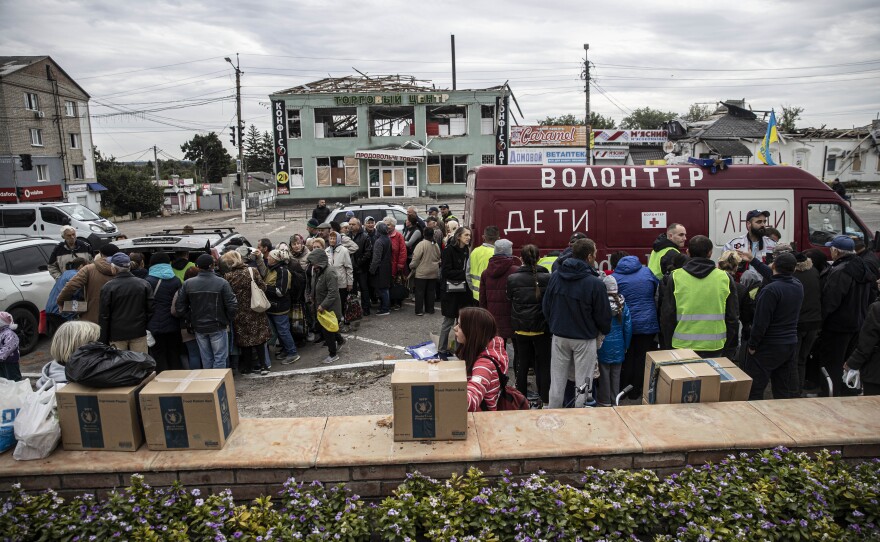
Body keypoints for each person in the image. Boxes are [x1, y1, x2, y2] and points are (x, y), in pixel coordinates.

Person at [542, 238, 612, 408]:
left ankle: (553, 414)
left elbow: (546, 305)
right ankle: (579, 417)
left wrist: (554, 325)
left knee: (557, 381)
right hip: (584, 338)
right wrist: (602, 331)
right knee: (583, 384)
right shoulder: (595, 283)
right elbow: (603, 315)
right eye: (595, 254)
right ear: (589, 256)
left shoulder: (556, 276)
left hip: (559, 335)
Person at [815, 235, 878, 396]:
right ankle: (848, 393)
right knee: (847, 362)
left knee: (832, 364)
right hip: (858, 323)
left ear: (836, 251)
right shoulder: (862, 266)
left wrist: (820, 322)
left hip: (838, 326)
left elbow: (831, 301)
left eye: (831, 249)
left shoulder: (840, 271)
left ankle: (830, 395)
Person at [659, 235, 738, 357]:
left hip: (682, 345)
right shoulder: (725, 278)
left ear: (688, 252)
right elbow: (732, 317)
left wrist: (669, 345)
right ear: (710, 253)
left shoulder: (675, 277)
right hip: (715, 346)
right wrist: (726, 346)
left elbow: (667, 316)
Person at [742, 252, 803, 400]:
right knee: (782, 389)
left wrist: (752, 344)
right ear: (794, 269)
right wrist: (753, 261)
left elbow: (761, 322)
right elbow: (776, 276)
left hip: (768, 345)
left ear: (774, 265)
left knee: (755, 389)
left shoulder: (770, 290)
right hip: (789, 344)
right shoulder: (797, 285)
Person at [175, 254, 238, 369]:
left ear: (197, 266)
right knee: (219, 358)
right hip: (217, 324)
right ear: (212, 265)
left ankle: (210, 384)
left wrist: (191, 317)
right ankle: (219, 386)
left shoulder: (188, 284)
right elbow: (232, 305)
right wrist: (226, 319)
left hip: (200, 326)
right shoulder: (221, 282)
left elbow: (179, 307)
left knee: (206, 358)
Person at [507, 244, 552, 403]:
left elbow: (510, 298)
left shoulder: (513, 278)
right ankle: (545, 398)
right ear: (539, 258)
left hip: (521, 327)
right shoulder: (547, 277)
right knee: (543, 364)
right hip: (542, 328)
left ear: (521, 259)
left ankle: (521, 399)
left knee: (522, 364)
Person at [612, 254, 660, 398]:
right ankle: (637, 391)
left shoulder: (615, 277)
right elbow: (656, 289)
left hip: (625, 324)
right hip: (647, 323)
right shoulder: (647, 272)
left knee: (627, 357)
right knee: (641, 358)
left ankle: (624, 390)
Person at [222, 251, 272, 376]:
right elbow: (263, 287)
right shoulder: (252, 271)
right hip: (255, 309)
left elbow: (227, 297)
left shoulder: (227, 277)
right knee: (259, 339)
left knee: (244, 341)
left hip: (239, 313)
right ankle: (264, 366)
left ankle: (248, 367)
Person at [450, 307, 509, 412]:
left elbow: (471, 401)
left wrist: (440, 392)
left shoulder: (484, 365)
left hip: (480, 421)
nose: (455, 328)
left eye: (460, 325)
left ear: (473, 331)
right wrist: (440, 370)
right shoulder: (488, 349)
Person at [98, 253, 154, 353]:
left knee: (119, 364)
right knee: (140, 363)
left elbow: (104, 315)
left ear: (113, 268)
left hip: (116, 334)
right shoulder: (144, 284)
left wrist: (103, 339)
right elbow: (150, 309)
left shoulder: (108, 287)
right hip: (139, 331)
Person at [57, 243, 119, 324]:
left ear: (100, 254)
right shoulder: (122, 269)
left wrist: (60, 301)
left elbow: (71, 286)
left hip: (92, 318)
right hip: (116, 318)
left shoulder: (89, 269)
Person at [596, 275, 632, 407]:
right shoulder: (623, 305)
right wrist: (626, 345)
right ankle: (614, 399)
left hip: (603, 345)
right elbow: (628, 328)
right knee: (616, 374)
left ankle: (605, 400)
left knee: (604, 373)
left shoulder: (600, 304)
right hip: (619, 345)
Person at [144, 252, 183, 372]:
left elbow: (146, 304)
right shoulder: (176, 280)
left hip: (154, 324)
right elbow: (180, 303)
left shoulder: (148, 281)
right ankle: (177, 380)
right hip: (174, 323)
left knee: (159, 354)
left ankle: (162, 381)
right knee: (174, 352)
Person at [439, 227, 474, 359]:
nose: (468, 238)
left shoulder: (466, 250)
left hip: (463, 292)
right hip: (450, 292)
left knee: (461, 323)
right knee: (448, 322)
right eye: (466, 235)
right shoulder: (448, 250)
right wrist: (464, 274)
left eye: (469, 235)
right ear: (458, 236)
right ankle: (441, 350)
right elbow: (446, 272)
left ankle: (459, 350)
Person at [37, 320, 101, 388]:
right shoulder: (68, 386)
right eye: (92, 343)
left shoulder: (54, 368)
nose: (99, 346)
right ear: (76, 348)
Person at [479, 239, 520, 344]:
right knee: (518, 352)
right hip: (512, 317)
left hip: (493, 317)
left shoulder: (485, 273)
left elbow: (482, 299)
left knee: (497, 349)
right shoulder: (516, 271)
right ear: (509, 251)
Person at [308, 249, 345, 364]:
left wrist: (322, 306)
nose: (313, 265)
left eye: (314, 262)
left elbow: (333, 293)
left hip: (330, 309)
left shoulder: (330, 272)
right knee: (330, 327)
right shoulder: (317, 270)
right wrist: (312, 295)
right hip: (321, 307)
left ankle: (333, 354)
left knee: (328, 331)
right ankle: (340, 340)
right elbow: (314, 285)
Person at [264, 248, 300, 365]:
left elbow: (280, 292)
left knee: (283, 331)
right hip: (272, 307)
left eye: (270, 256)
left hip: (280, 308)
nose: (267, 258)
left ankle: (292, 353)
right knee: (279, 331)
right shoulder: (270, 269)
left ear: (275, 259)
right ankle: (286, 349)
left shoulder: (283, 272)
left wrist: (265, 287)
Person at [845, 299, 880, 396]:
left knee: (872, 408)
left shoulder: (876, 308)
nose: (877, 282)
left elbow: (867, 342)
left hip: (875, 372)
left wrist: (852, 363)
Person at [46, 257, 88, 334]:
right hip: (60, 310)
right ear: (81, 266)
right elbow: (79, 294)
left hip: (50, 308)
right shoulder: (76, 275)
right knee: (87, 307)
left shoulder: (66, 273)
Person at [409, 226, 441, 316]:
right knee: (431, 291)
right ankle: (430, 309)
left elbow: (416, 259)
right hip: (433, 271)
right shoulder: (435, 244)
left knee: (420, 292)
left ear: (424, 234)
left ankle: (419, 310)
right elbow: (439, 256)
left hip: (422, 272)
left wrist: (411, 266)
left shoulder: (421, 244)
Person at [326, 231, 353, 329]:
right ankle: (337, 322)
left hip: (342, 282)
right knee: (334, 304)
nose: (332, 240)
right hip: (331, 283)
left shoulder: (344, 250)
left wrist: (350, 283)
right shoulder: (327, 251)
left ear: (338, 239)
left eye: (334, 238)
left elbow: (349, 268)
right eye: (330, 238)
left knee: (343, 303)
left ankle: (346, 322)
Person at [349, 217, 372, 316]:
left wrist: (358, 262)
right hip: (351, 269)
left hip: (362, 268)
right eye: (350, 224)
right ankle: (354, 310)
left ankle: (366, 309)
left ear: (358, 225)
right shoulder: (347, 236)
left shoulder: (365, 236)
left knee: (364, 289)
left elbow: (368, 253)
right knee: (352, 290)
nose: (350, 226)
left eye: (353, 224)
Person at [468, 226, 499, 301]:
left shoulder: (474, 251)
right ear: (498, 239)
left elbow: (467, 273)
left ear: (483, 237)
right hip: (490, 296)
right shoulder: (496, 254)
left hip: (476, 295)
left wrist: (472, 289)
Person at [369, 223, 393, 316]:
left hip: (381, 268)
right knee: (385, 288)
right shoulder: (388, 239)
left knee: (383, 289)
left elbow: (376, 258)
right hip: (387, 266)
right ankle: (385, 306)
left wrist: (372, 269)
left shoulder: (379, 241)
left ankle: (385, 308)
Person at [385, 216, 408, 310]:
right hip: (387, 264)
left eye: (389, 225)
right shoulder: (384, 235)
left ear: (393, 225)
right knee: (389, 284)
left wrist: (401, 264)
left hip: (397, 264)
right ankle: (390, 302)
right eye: (385, 225)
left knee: (398, 284)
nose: (387, 227)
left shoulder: (398, 236)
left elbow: (403, 250)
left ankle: (398, 302)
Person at [0, 312, 21, 381]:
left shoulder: (9, 333)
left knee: (13, 378)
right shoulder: (2, 333)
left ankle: (18, 390)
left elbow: (8, 348)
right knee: (3, 379)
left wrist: (1, 356)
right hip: (2, 361)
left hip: (10, 361)